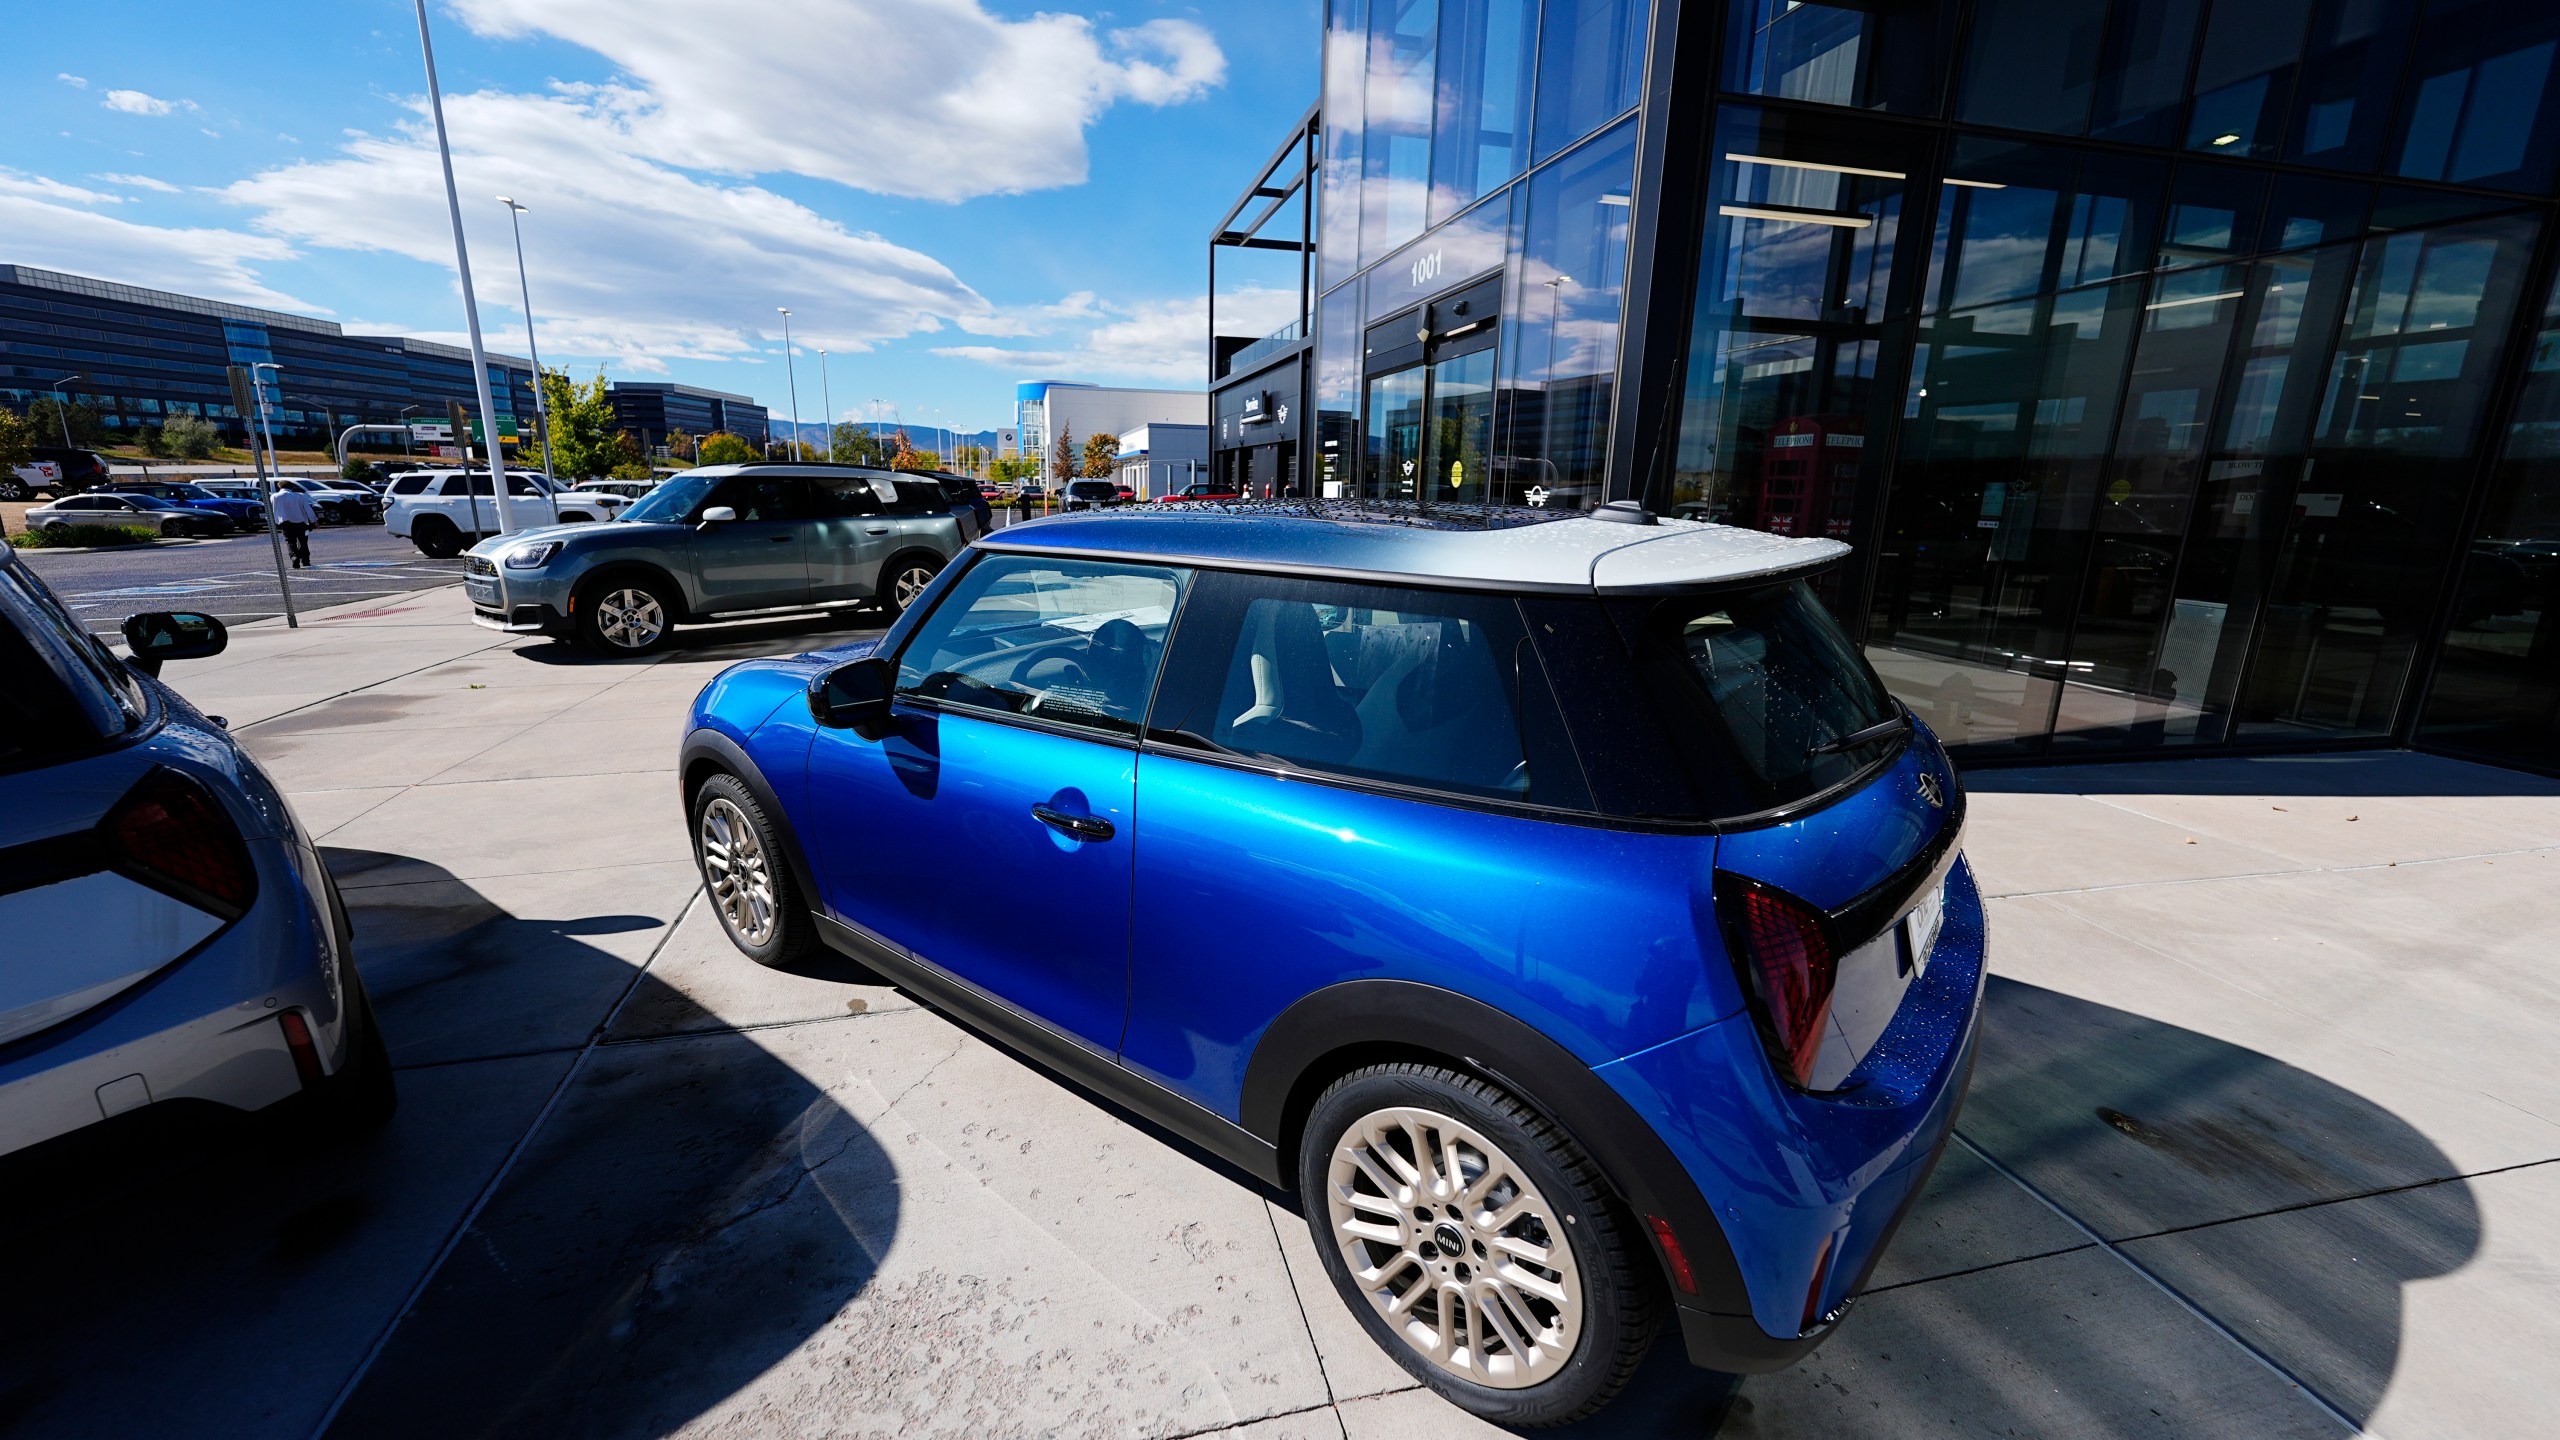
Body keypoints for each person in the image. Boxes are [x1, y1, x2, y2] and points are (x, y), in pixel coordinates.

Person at [270, 483, 318, 568]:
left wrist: (272, 522)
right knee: (303, 542)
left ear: (280, 487)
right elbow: (308, 509)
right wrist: (314, 520)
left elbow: (273, 510)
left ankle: (294, 556)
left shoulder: (275, 497)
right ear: (291, 487)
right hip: (300, 522)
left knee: (290, 541)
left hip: (285, 522)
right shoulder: (300, 496)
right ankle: (305, 560)